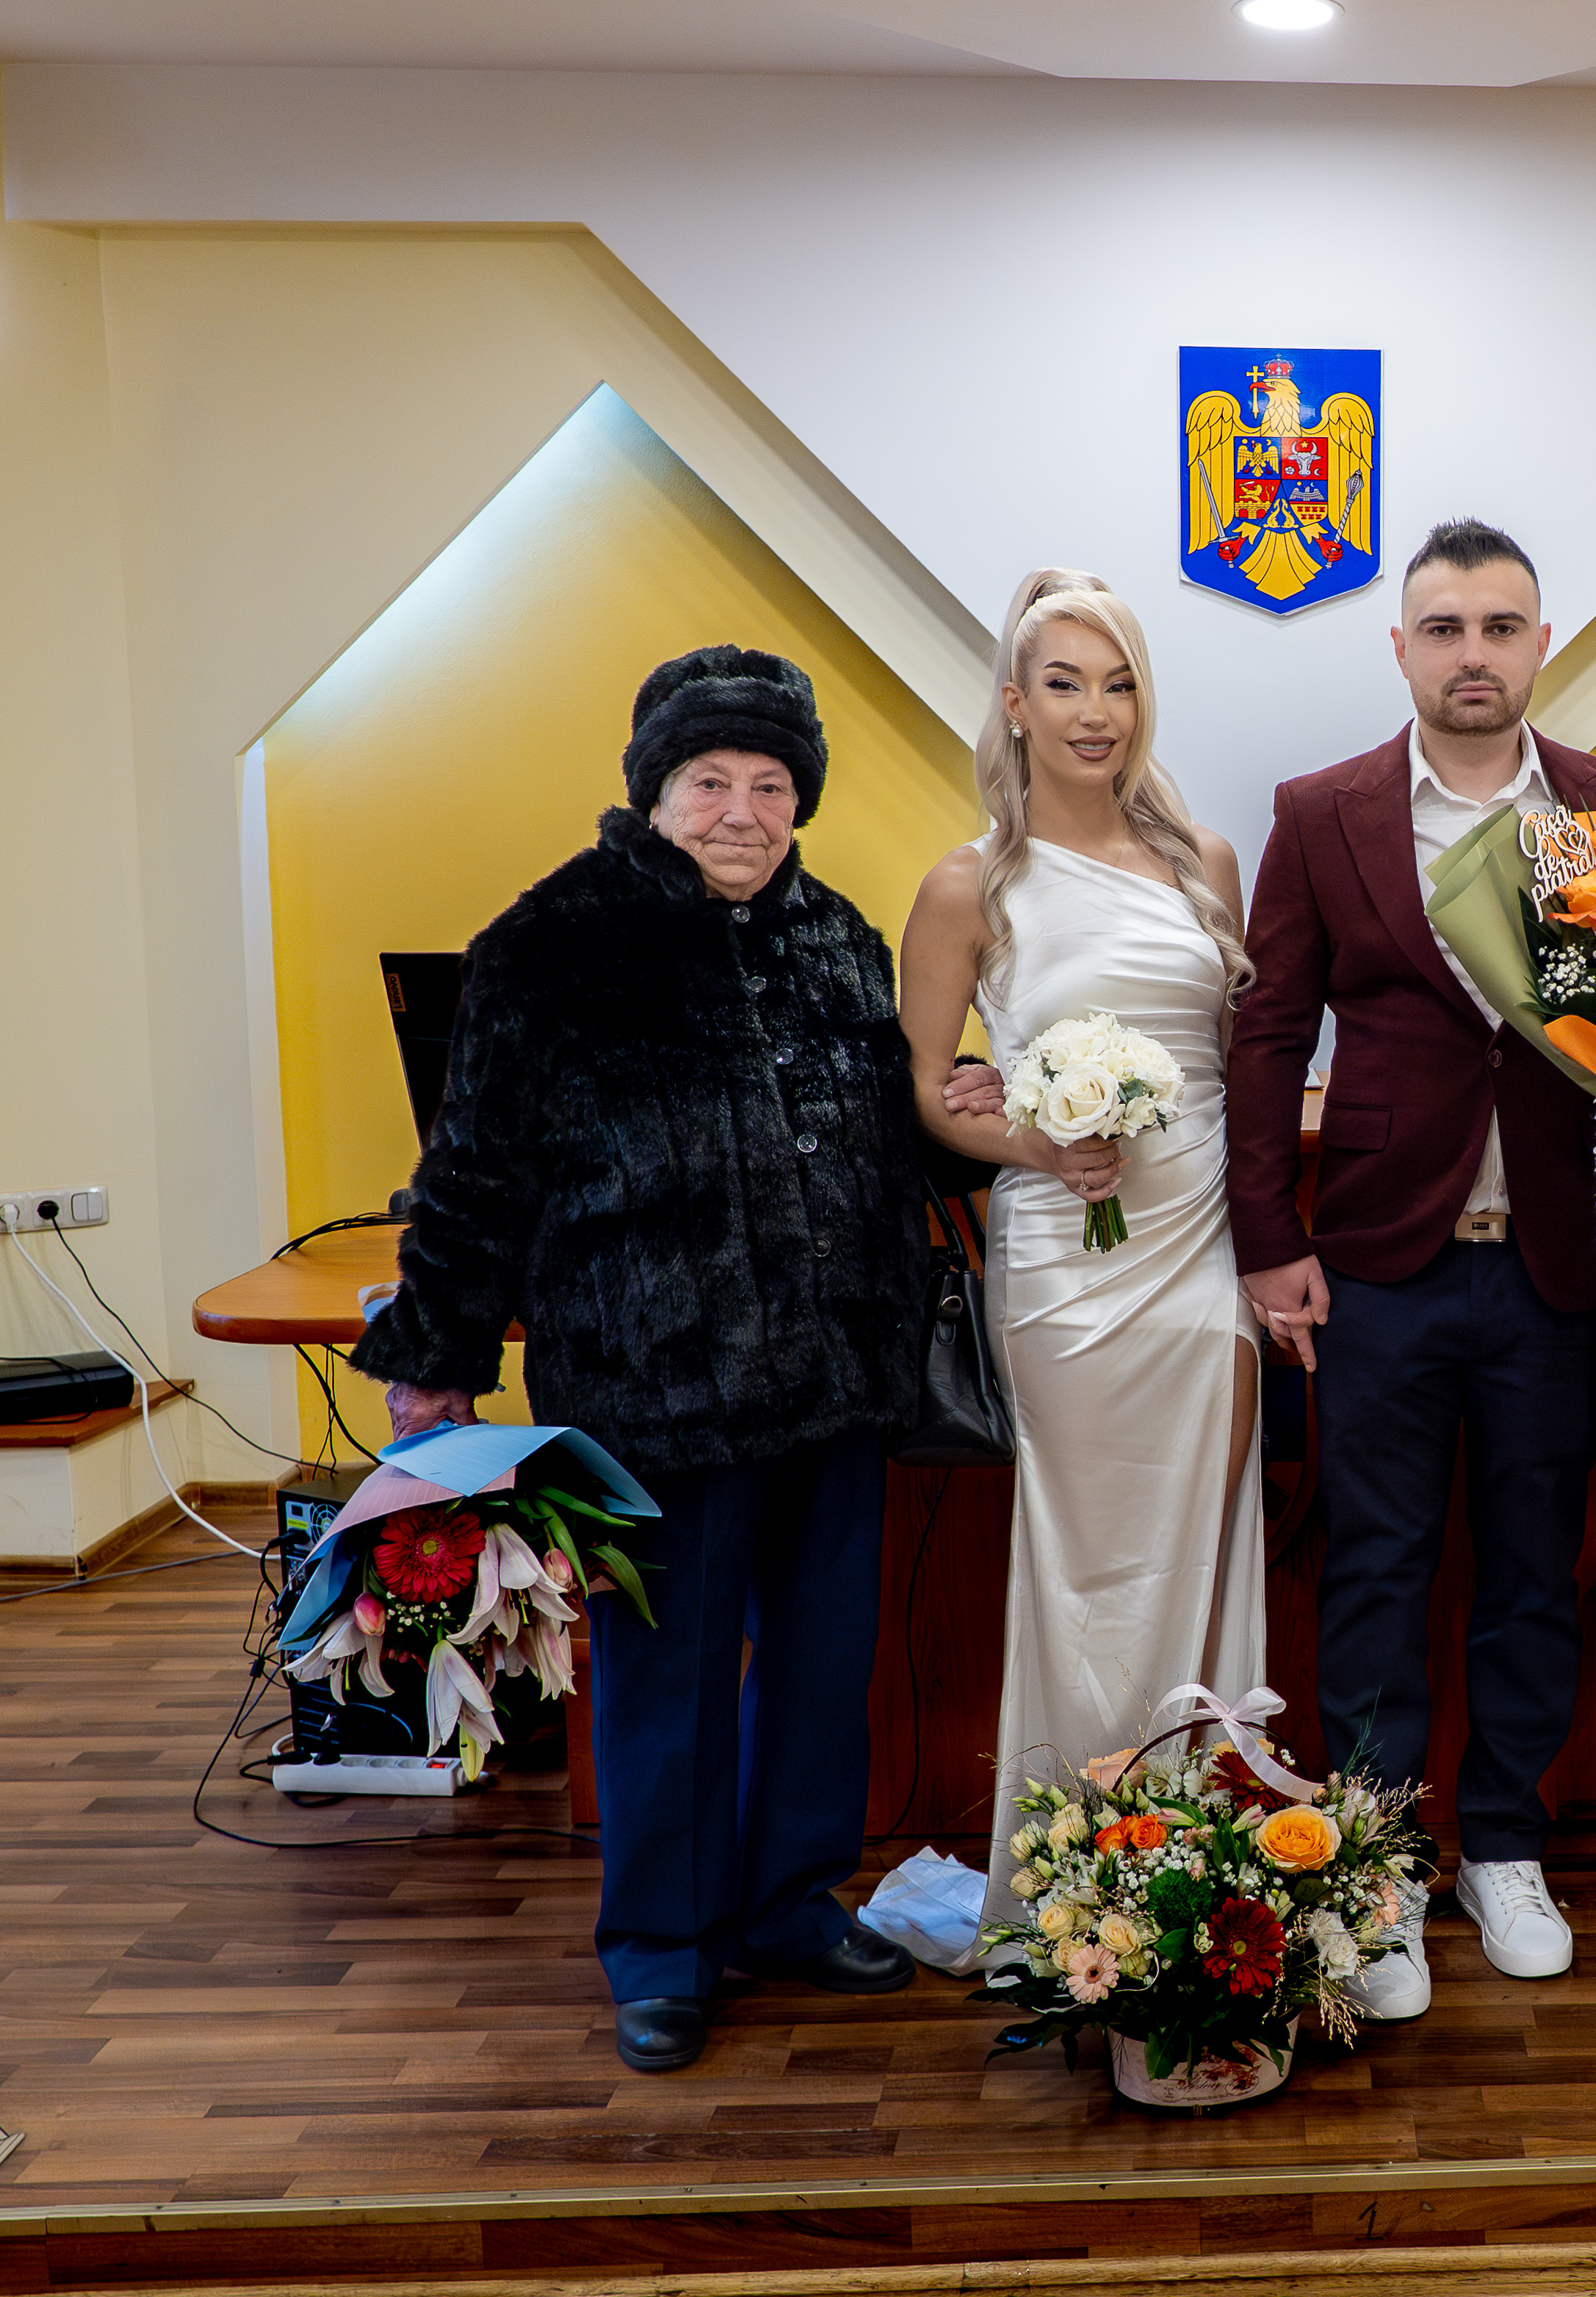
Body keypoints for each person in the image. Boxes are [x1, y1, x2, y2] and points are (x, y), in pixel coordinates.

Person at [355, 646, 929, 2077]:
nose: (742, 811)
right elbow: (472, 1173)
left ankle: (789, 1905)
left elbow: (888, 1143)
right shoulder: (547, 943)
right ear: (653, 791)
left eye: (771, 784)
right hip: (652, 1386)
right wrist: (436, 1361)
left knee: (821, 1668)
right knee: (664, 1682)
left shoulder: (843, 939)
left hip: (836, 1379)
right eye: (709, 781)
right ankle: (665, 1950)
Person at [1225, 518, 1596, 2016]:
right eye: (1445, 627)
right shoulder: (1322, 811)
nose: (1473, 653)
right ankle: (1381, 1867)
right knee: (1375, 1572)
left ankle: (1507, 1848)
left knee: (1534, 1569)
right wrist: (1268, 1240)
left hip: (1555, 1262)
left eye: (1500, 626)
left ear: (1541, 643)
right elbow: (1268, 1034)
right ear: (1401, 646)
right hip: (1376, 1264)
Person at [900, 571, 1266, 1939]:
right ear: (1015, 702)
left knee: (1204, 1551)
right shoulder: (970, 885)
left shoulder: (1206, 863)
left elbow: (1236, 1067)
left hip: (1203, 1246)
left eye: (1118, 685)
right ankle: (1072, 1895)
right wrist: (1043, 1147)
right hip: (1065, 1265)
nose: (1094, 712)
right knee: (1086, 1566)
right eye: (1063, 684)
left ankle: (1197, 1880)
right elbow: (930, 1095)